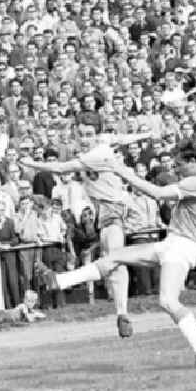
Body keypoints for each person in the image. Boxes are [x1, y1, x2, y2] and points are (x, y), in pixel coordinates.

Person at [35, 140, 196, 368]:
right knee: (114, 257)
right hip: (174, 243)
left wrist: (118, 169)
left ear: (193, 161)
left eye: (180, 164)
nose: (176, 169)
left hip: (182, 246)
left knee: (167, 301)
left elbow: (157, 193)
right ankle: (59, 280)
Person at [21, 124, 152, 339]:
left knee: (115, 258)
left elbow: (61, 169)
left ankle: (64, 281)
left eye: (88, 134)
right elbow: (122, 137)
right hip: (105, 211)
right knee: (114, 262)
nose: (84, 139)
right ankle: (122, 313)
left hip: (114, 208)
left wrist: (31, 163)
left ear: (95, 135)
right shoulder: (102, 143)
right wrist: (146, 133)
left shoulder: (96, 154)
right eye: (81, 135)